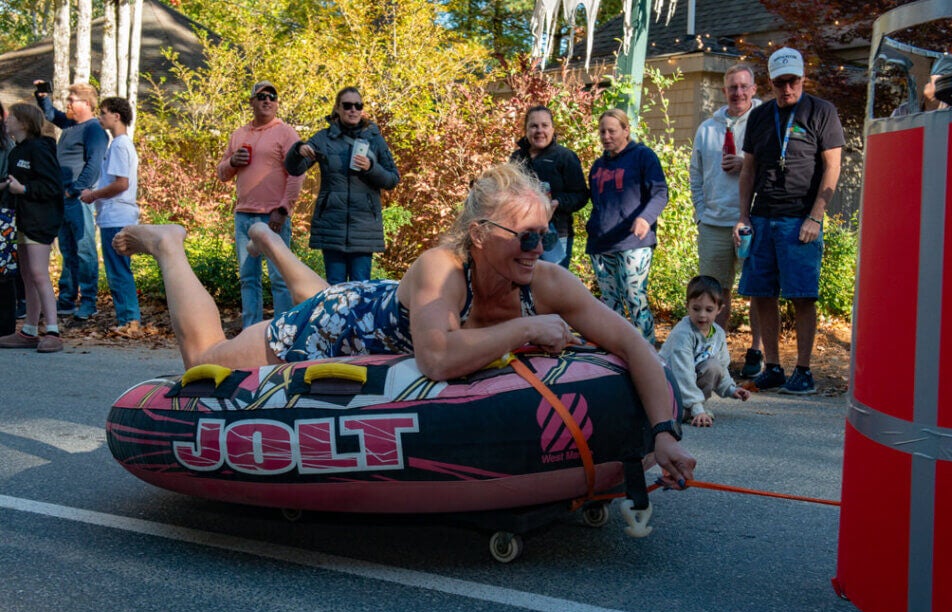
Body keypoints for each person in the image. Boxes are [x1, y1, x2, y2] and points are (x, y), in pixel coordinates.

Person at [111, 163, 697, 484]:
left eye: (544, 236)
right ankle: (169, 245)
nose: (537, 249)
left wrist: (664, 430)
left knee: (332, 291)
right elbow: (437, 359)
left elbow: (631, 343)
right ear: (480, 236)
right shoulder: (442, 269)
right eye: (525, 237)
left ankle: (269, 242)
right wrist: (525, 332)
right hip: (338, 324)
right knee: (208, 356)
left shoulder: (546, 282)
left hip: (377, 305)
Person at [735, 47, 844, 395]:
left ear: (803, 77)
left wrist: (816, 216)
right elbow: (748, 170)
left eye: (793, 81)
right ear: (770, 82)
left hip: (800, 219)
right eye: (780, 82)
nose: (787, 89)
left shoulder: (821, 111)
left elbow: (832, 166)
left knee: (802, 296)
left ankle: (804, 370)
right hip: (763, 217)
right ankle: (774, 367)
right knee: (762, 294)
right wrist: (743, 217)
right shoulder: (760, 115)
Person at [689, 64, 764, 378]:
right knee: (716, 294)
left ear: (754, 89)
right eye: (732, 87)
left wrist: (746, 163)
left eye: (744, 86)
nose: (738, 93)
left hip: (754, 220)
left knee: (759, 289)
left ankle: (757, 354)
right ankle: (715, 353)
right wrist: (700, 214)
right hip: (715, 223)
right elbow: (695, 173)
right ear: (724, 91)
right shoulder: (708, 127)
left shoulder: (763, 123)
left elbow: (776, 166)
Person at [284, 86, 399, 285]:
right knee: (335, 289)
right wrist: (298, 150)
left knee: (360, 289)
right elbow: (295, 169)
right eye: (347, 105)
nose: (353, 110)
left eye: (358, 105)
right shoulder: (323, 138)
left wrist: (371, 168)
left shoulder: (374, 139)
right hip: (332, 225)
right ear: (337, 108)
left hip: (364, 228)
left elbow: (392, 179)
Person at [217, 81, 304, 328]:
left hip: (272, 217)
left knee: (279, 278)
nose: (267, 100)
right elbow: (222, 174)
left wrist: (284, 209)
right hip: (244, 216)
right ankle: (251, 332)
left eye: (272, 97)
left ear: (277, 104)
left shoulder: (286, 133)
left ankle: (283, 332)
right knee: (248, 278)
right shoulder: (239, 134)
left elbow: (297, 173)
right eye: (262, 96)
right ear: (252, 102)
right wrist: (233, 161)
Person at [586, 108, 668, 345]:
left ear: (626, 130)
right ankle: (617, 352)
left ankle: (647, 352)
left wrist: (645, 218)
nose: (606, 136)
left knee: (635, 297)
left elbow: (660, 193)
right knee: (610, 302)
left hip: (634, 241)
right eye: (602, 131)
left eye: (612, 131)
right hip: (601, 244)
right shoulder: (598, 165)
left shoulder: (643, 156)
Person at [34, 81, 107, 321]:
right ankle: (66, 299)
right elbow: (50, 114)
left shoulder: (93, 129)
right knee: (67, 249)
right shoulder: (71, 124)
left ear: (86, 103)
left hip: (77, 198)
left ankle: (88, 302)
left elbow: (94, 165)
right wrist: (42, 95)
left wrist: (74, 191)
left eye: (72, 100)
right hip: (62, 197)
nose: (68, 104)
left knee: (84, 249)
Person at [0, 103, 65, 352]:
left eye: (12, 117)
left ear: (24, 123)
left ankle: (53, 330)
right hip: (22, 219)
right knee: (26, 274)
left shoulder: (40, 149)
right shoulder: (17, 151)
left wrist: (23, 189)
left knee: (38, 273)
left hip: (41, 220)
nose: (7, 121)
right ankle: (28, 330)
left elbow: (52, 187)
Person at [80, 97, 141, 335]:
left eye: (103, 113)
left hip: (116, 214)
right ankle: (127, 318)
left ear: (117, 116)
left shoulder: (118, 145)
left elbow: (121, 184)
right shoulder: (121, 144)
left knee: (118, 269)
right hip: (117, 214)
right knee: (119, 267)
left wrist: (93, 195)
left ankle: (130, 320)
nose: (100, 117)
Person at [659, 276, 751, 427]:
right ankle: (684, 409)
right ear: (687, 306)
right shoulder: (683, 334)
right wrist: (697, 408)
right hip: (667, 387)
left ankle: (687, 409)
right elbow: (682, 374)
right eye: (696, 309)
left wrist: (730, 389)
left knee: (713, 365)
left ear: (719, 309)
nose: (702, 315)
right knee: (668, 408)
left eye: (709, 310)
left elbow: (721, 367)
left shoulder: (718, 334)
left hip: (687, 391)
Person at [509, 105, 588, 268]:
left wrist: (557, 202)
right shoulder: (517, 158)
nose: (539, 130)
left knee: (554, 286)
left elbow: (581, 195)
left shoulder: (565, 157)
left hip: (557, 233)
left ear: (552, 129)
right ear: (526, 129)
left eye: (544, 125)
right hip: (523, 234)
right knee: (525, 282)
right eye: (534, 126)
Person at [0, 100, 17, 336]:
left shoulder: (8, 145)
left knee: (3, 272)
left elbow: (11, 180)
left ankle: (5, 326)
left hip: (3, 213)